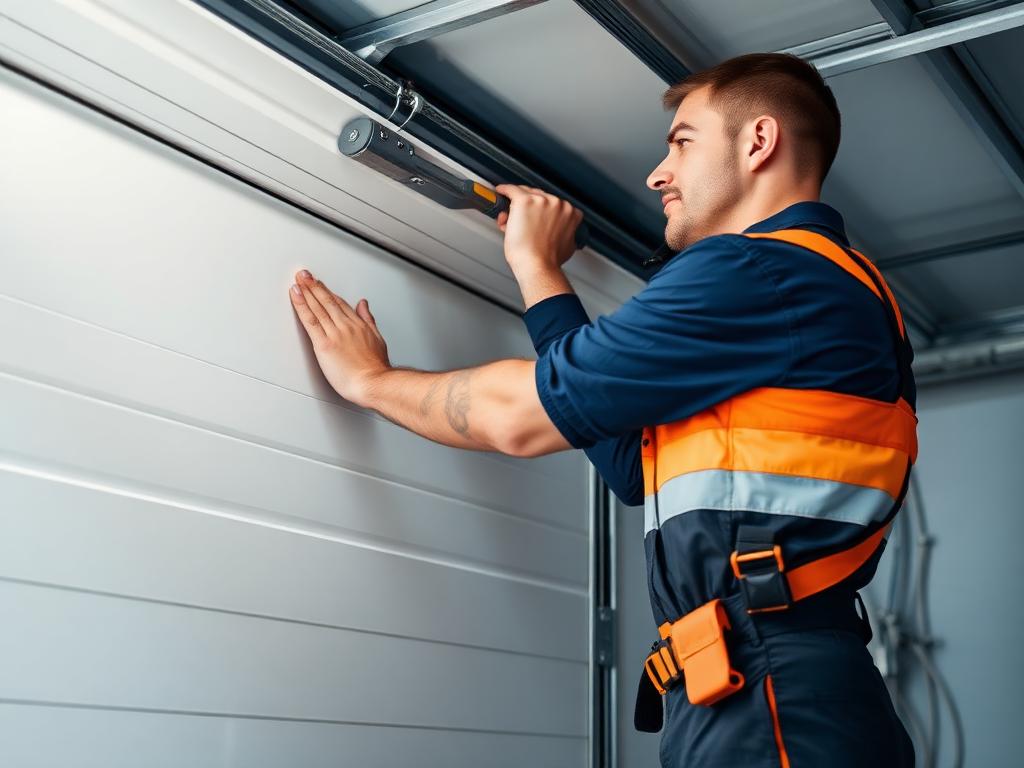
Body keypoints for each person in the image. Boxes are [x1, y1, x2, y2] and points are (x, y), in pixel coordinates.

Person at [288, 52, 917, 767]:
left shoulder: (762, 269)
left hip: (771, 692)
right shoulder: (830, 287)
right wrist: (538, 268)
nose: (658, 174)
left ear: (758, 141)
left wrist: (371, 381)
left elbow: (519, 416)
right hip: (767, 684)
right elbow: (630, 463)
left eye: (682, 142)